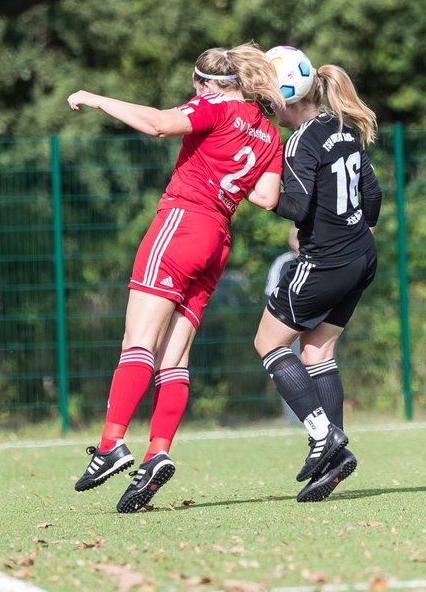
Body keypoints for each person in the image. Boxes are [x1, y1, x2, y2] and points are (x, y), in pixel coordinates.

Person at [67, 42, 284, 513]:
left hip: (183, 223)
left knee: (137, 343)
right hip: (218, 239)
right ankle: (157, 451)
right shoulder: (269, 133)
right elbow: (267, 198)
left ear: (205, 83)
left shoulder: (216, 106)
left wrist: (98, 99)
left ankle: (110, 446)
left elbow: (159, 124)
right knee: (174, 356)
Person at [253, 56, 382, 503]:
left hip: (324, 262)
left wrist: (259, 193)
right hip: (363, 256)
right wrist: (357, 233)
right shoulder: (342, 126)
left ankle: (321, 434)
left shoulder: (300, 142)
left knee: (268, 344)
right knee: (317, 350)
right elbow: (374, 194)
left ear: (284, 97)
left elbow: (297, 208)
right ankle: (336, 456)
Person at [264, 226, 301, 424]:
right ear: (289, 240)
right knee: (288, 370)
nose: (299, 240)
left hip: (316, 325)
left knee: (320, 367)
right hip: (288, 326)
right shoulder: (282, 263)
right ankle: (295, 419)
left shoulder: (320, 260)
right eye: (295, 236)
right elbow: (270, 295)